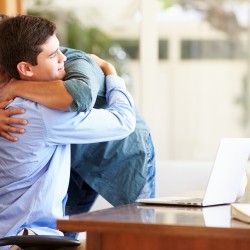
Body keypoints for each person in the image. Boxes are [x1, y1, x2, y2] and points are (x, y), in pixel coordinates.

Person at [0, 17, 156, 215]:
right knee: (64, 230)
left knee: (142, 230)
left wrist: (110, 71)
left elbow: (83, 97)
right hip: (65, 155)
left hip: (120, 148)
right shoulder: (22, 74)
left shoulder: (68, 61)